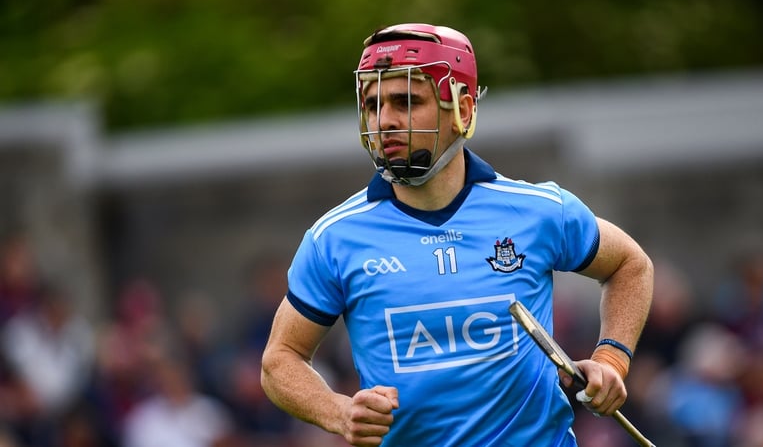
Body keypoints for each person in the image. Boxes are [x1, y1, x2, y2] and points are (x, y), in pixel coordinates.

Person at [261, 23, 654, 447]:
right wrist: (337, 412)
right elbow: (280, 360)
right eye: (373, 105)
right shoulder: (333, 239)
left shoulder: (539, 211)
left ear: (462, 111)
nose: (384, 120)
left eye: (406, 101)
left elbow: (630, 264)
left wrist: (611, 359)